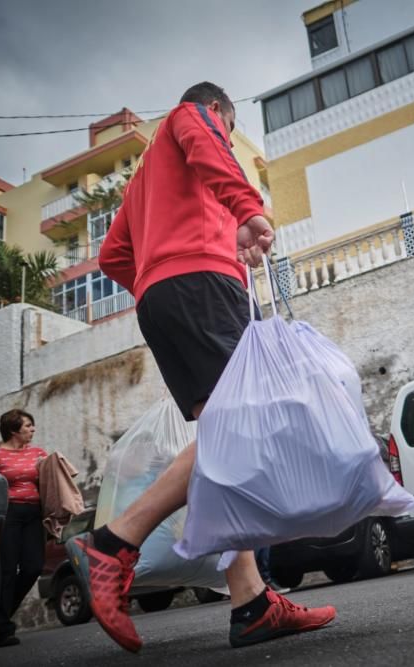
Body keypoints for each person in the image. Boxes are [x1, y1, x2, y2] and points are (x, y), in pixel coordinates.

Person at [66, 82, 335, 654]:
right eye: (227, 130)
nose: (223, 138)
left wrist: (163, 270)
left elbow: (115, 253)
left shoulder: (143, 183)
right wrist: (249, 211)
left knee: (223, 434)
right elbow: (206, 145)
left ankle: (252, 602)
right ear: (219, 114)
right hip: (203, 290)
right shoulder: (193, 116)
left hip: (159, 301)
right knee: (240, 428)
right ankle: (115, 542)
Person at [0, 409, 48, 648]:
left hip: (34, 514)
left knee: (33, 567)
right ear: (14, 430)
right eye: (28, 426)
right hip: (10, 514)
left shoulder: (38, 453)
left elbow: (50, 478)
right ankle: (4, 629)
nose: (32, 429)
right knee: (7, 570)